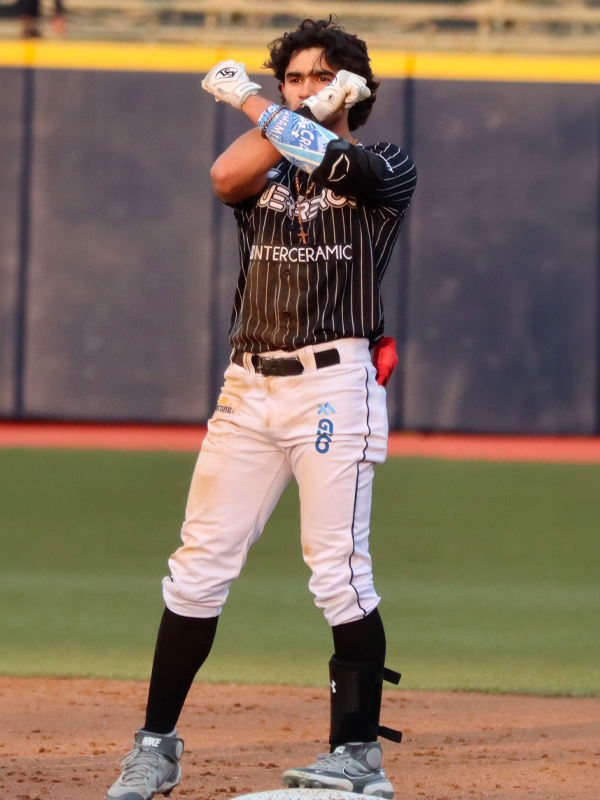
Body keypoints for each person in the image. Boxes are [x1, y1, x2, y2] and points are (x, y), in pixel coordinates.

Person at [105, 17, 417, 800]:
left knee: (338, 571)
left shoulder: (387, 165)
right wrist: (277, 113)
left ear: (355, 85)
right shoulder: (269, 168)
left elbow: (338, 161)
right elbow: (224, 176)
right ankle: (155, 744)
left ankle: (357, 755)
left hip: (331, 383)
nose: (305, 88)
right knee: (199, 566)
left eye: (321, 76)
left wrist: (250, 99)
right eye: (293, 79)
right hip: (247, 386)